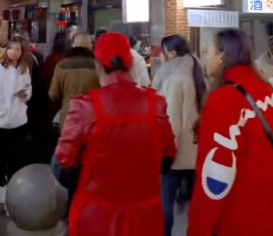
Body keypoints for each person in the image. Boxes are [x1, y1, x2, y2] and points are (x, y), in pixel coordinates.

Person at [53, 32, 177, 236]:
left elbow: (64, 165)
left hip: (95, 218)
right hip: (144, 217)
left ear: (98, 65)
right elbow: (167, 158)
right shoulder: (155, 101)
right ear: (130, 64)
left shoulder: (84, 105)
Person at [188, 29, 273, 236]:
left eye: (208, 51)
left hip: (243, 219)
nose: (205, 57)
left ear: (223, 56)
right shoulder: (266, 89)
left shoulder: (224, 99)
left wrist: (199, 229)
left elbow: (215, 177)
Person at [156, 35, 208, 236]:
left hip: (176, 154)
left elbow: (172, 123)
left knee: (165, 203)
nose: (160, 57)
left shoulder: (174, 79)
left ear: (171, 53)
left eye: (162, 52)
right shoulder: (199, 73)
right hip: (197, 152)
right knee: (197, 205)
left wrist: (164, 152)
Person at [0, 36, 33, 205]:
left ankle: (13, 182)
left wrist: (24, 94)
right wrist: (4, 109)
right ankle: (1, 183)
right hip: (0, 120)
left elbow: (28, 86)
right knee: (0, 154)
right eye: (11, 48)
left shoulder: (23, 68)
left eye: (17, 49)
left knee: (16, 154)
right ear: (6, 50)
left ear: (22, 52)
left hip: (18, 119)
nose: (13, 52)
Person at [27, 30, 68, 164]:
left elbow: (40, 79)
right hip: (58, 104)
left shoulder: (51, 59)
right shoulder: (64, 61)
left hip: (48, 104)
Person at [49, 31, 100, 133]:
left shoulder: (62, 65)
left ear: (73, 45)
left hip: (68, 117)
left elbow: (53, 94)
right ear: (90, 46)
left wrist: (63, 104)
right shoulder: (99, 66)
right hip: (92, 118)